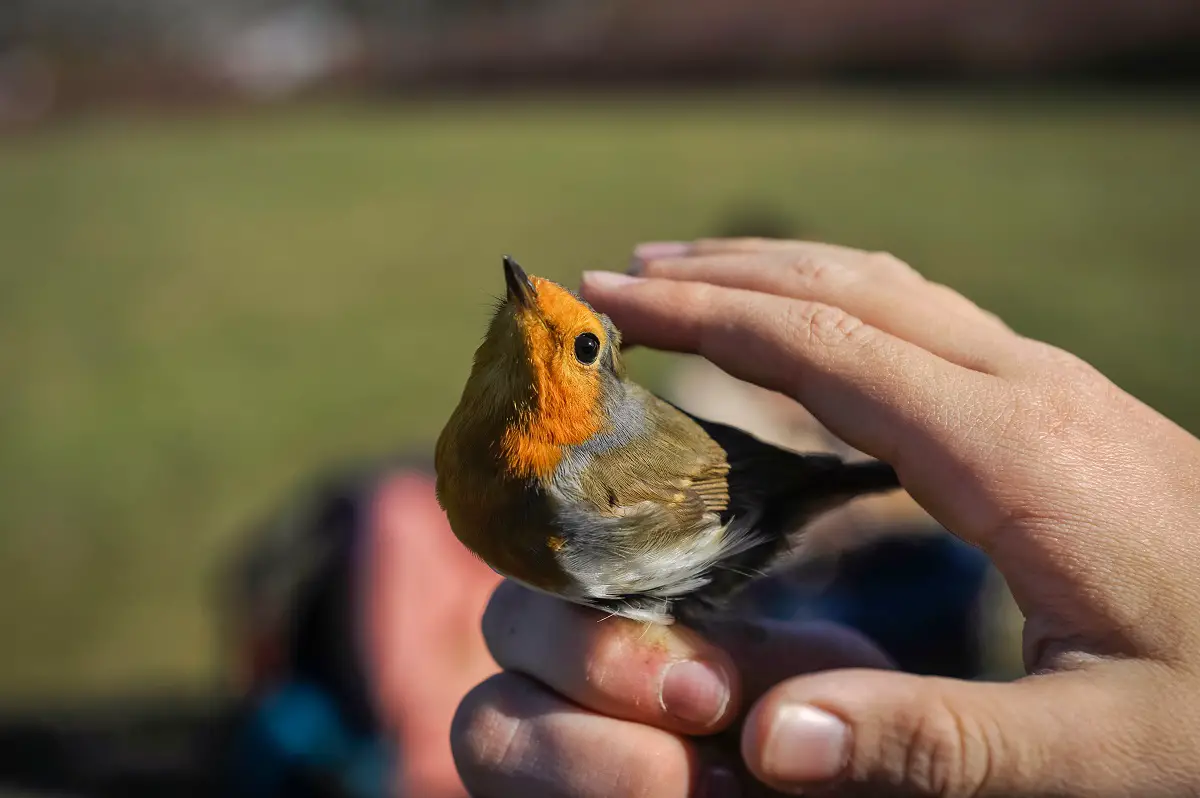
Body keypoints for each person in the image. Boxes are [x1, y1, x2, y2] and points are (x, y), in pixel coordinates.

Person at [449, 237, 1200, 797]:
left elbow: (733, 475)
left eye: (581, 346)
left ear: (598, 386)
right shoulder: (465, 457)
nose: (524, 306)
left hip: (750, 500)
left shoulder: (581, 476)